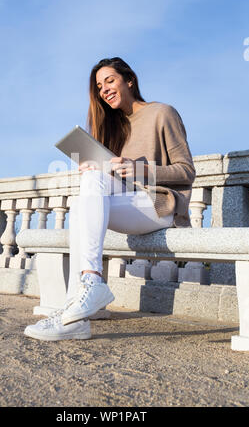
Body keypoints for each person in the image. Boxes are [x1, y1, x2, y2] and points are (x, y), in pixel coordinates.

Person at [24, 57, 196, 341]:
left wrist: (142, 168)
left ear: (129, 80)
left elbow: (187, 172)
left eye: (110, 80)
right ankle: (82, 303)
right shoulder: (113, 127)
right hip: (128, 203)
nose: (104, 89)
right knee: (86, 191)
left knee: (88, 196)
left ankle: (79, 302)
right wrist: (98, 167)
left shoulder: (162, 113)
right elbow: (111, 179)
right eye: (99, 86)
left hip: (160, 204)